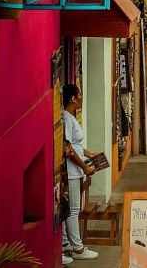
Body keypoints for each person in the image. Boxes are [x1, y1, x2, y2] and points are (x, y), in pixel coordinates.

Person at [62, 84, 99, 262]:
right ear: (73, 98)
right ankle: (77, 247)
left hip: (76, 169)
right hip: (72, 171)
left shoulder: (70, 117)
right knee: (73, 209)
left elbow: (75, 145)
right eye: (80, 95)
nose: (82, 98)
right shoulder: (67, 119)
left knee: (70, 208)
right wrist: (85, 167)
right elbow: (68, 148)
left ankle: (65, 242)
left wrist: (88, 153)